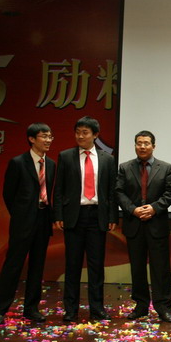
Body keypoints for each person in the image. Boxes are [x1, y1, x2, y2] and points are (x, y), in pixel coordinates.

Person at [53, 116, 118, 322]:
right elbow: (59, 189)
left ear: (95, 135)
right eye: (78, 132)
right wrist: (58, 214)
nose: (80, 136)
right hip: (74, 216)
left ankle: (97, 309)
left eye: (85, 133)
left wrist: (112, 216)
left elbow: (111, 191)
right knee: (72, 265)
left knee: (96, 266)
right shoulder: (66, 156)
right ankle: (70, 309)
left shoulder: (107, 159)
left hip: (97, 216)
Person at [0, 123, 56, 325]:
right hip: (23, 222)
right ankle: (0, 309)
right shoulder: (18, 162)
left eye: (50, 136)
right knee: (13, 264)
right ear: (31, 139)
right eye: (44, 136)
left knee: (37, 266)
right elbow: (8, 194)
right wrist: (21, 215)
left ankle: (31, 309)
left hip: (43, 220)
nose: (48, 140)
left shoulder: (51, 164)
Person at [115, 130, 171, 323]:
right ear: (135, 146)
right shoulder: (125, 168)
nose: (142, 146)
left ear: (153, 146)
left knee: (161, 269)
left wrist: (154, 208)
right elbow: (119, 192)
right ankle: (141, 306)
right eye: (139, 143)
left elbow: (170, 193)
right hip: (134, 224)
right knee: (137, 268)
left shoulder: (165, 168)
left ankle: (163, 307)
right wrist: (133, 210)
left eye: (146, 143)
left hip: (157, 224)